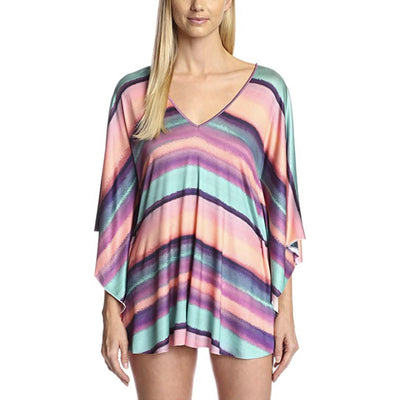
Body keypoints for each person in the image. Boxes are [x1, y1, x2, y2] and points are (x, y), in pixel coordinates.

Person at [93, 0, 306, 399]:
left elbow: (281, 212)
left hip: (243, 286)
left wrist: (287, 312)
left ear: (228, 2)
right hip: (155, 286)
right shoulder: (135, 94)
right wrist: (110, 310)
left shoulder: (266, 93)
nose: (197, 5)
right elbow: (117, 214)